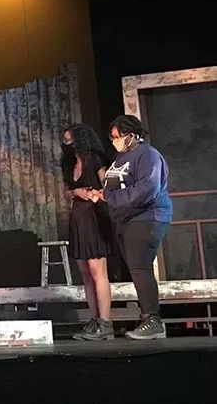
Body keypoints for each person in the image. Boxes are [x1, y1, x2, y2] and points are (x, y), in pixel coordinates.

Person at [97, 115, 172, 340]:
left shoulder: (147, 155)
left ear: (131, 135)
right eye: (112, 138)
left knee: (140, 267)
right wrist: (103, 195)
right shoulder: (121, 157)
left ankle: (153, 320)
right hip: (126, 219)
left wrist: (112, 198)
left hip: (146, 217)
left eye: (117, 137)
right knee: (136, 268)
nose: (114, 141)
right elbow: (113, 185)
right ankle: (148, 319)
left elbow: (147, 188)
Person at [60, 124, 115, 341]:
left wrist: (94, 194)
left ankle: (105, 321)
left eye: (69, 140)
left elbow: (109, 186)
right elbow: (66, 192)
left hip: (94, 215)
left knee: (97, 271)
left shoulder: (95, 159)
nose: (67, 144)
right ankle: (94, 319)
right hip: (78, 216)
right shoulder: (69, 163)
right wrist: (76, 192)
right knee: (85, 272)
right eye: (65, 140)